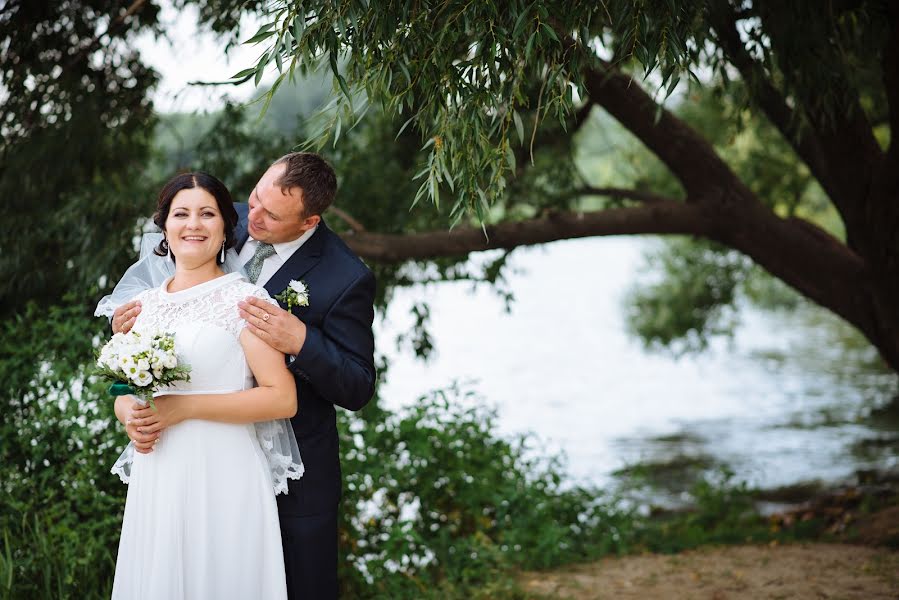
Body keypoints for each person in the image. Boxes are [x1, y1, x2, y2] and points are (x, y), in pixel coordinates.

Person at [111, 152, 377, 599]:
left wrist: (302, 341)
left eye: (270, 214)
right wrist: (128, 338)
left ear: (309, 220)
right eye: (253, 198)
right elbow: (162, 305)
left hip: (291, 467)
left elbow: (357, 385)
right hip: (177, 464)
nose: (250, 217)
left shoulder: (345, 276)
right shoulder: (213, 216)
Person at [109, 172, 302, 599]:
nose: (193, 224)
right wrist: (130, 417)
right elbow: (123, 392)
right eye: (181, 214)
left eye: (207, 214)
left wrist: (184, 408)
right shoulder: (141, 308)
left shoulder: (245, 302)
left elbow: (282, 398)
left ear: (224, 228)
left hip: (224, 474)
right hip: (159, 474)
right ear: (164, 226)